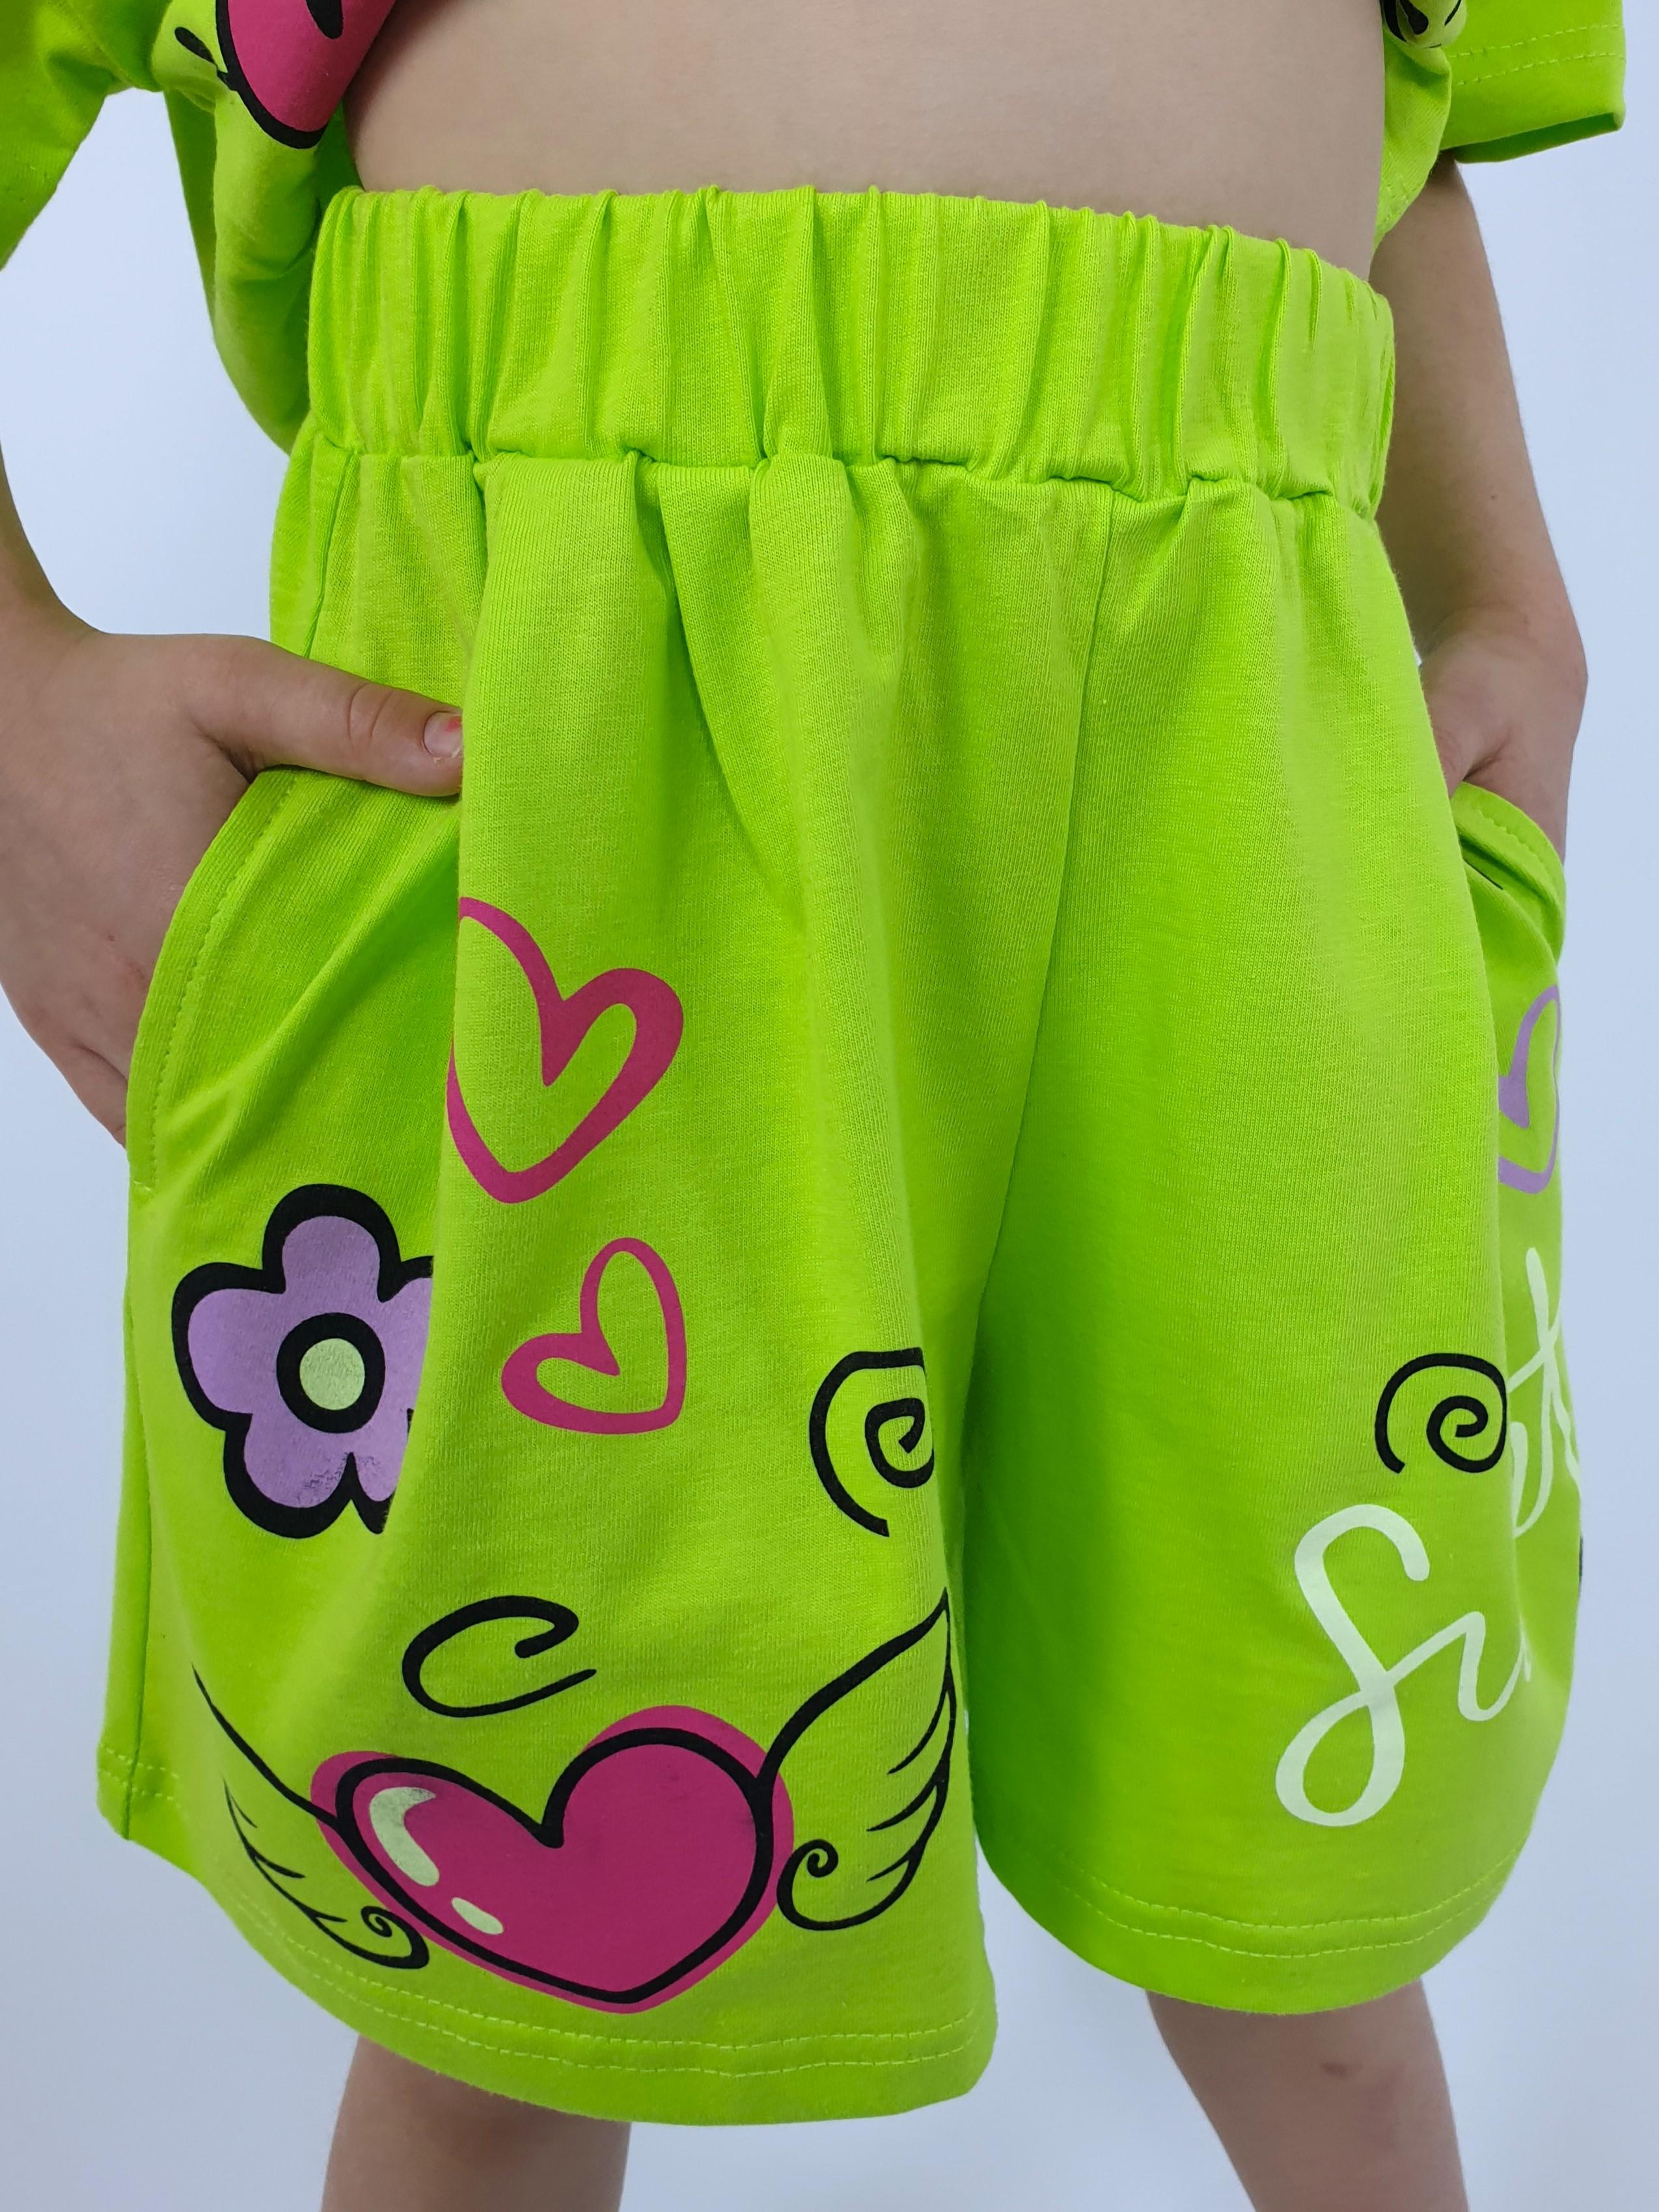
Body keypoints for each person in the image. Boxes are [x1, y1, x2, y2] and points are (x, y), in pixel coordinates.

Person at [0, 2, 1623, 2206]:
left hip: (1254, 719)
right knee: (517, 1975)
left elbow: (1427, 112)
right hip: (579, 752)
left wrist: (1505, 580)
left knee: (1310, 1892)